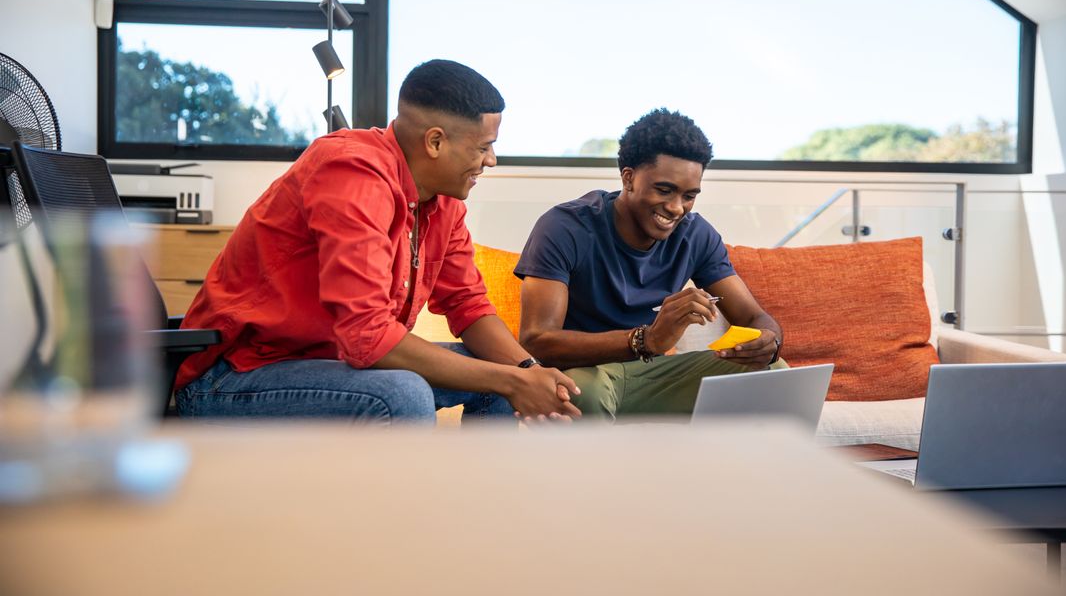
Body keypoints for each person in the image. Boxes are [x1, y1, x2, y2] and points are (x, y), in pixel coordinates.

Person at [174, 59, 580, 424]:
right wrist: (510, 380)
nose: (491, 160)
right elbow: (367, 338)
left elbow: (467, 306)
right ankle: (402, 508)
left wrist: (527, 372)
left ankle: (478, 500)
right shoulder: (352, 174)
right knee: (402, 395)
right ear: (435, 142)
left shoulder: (443, 200)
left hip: (329, 367)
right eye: (484, 147)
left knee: (493, 375)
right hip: (235, 377)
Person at [514, 108, 786, 420]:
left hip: (653, 375)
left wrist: (768, 340)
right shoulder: (565, 227)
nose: (676, 208)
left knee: (773, 371)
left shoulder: (696, 235)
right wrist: (647, 339)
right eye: (664, 190)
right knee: (583, 392)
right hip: (583, 374)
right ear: (628, 178)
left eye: (689, 195)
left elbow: (754, 316)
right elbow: (537, 340)